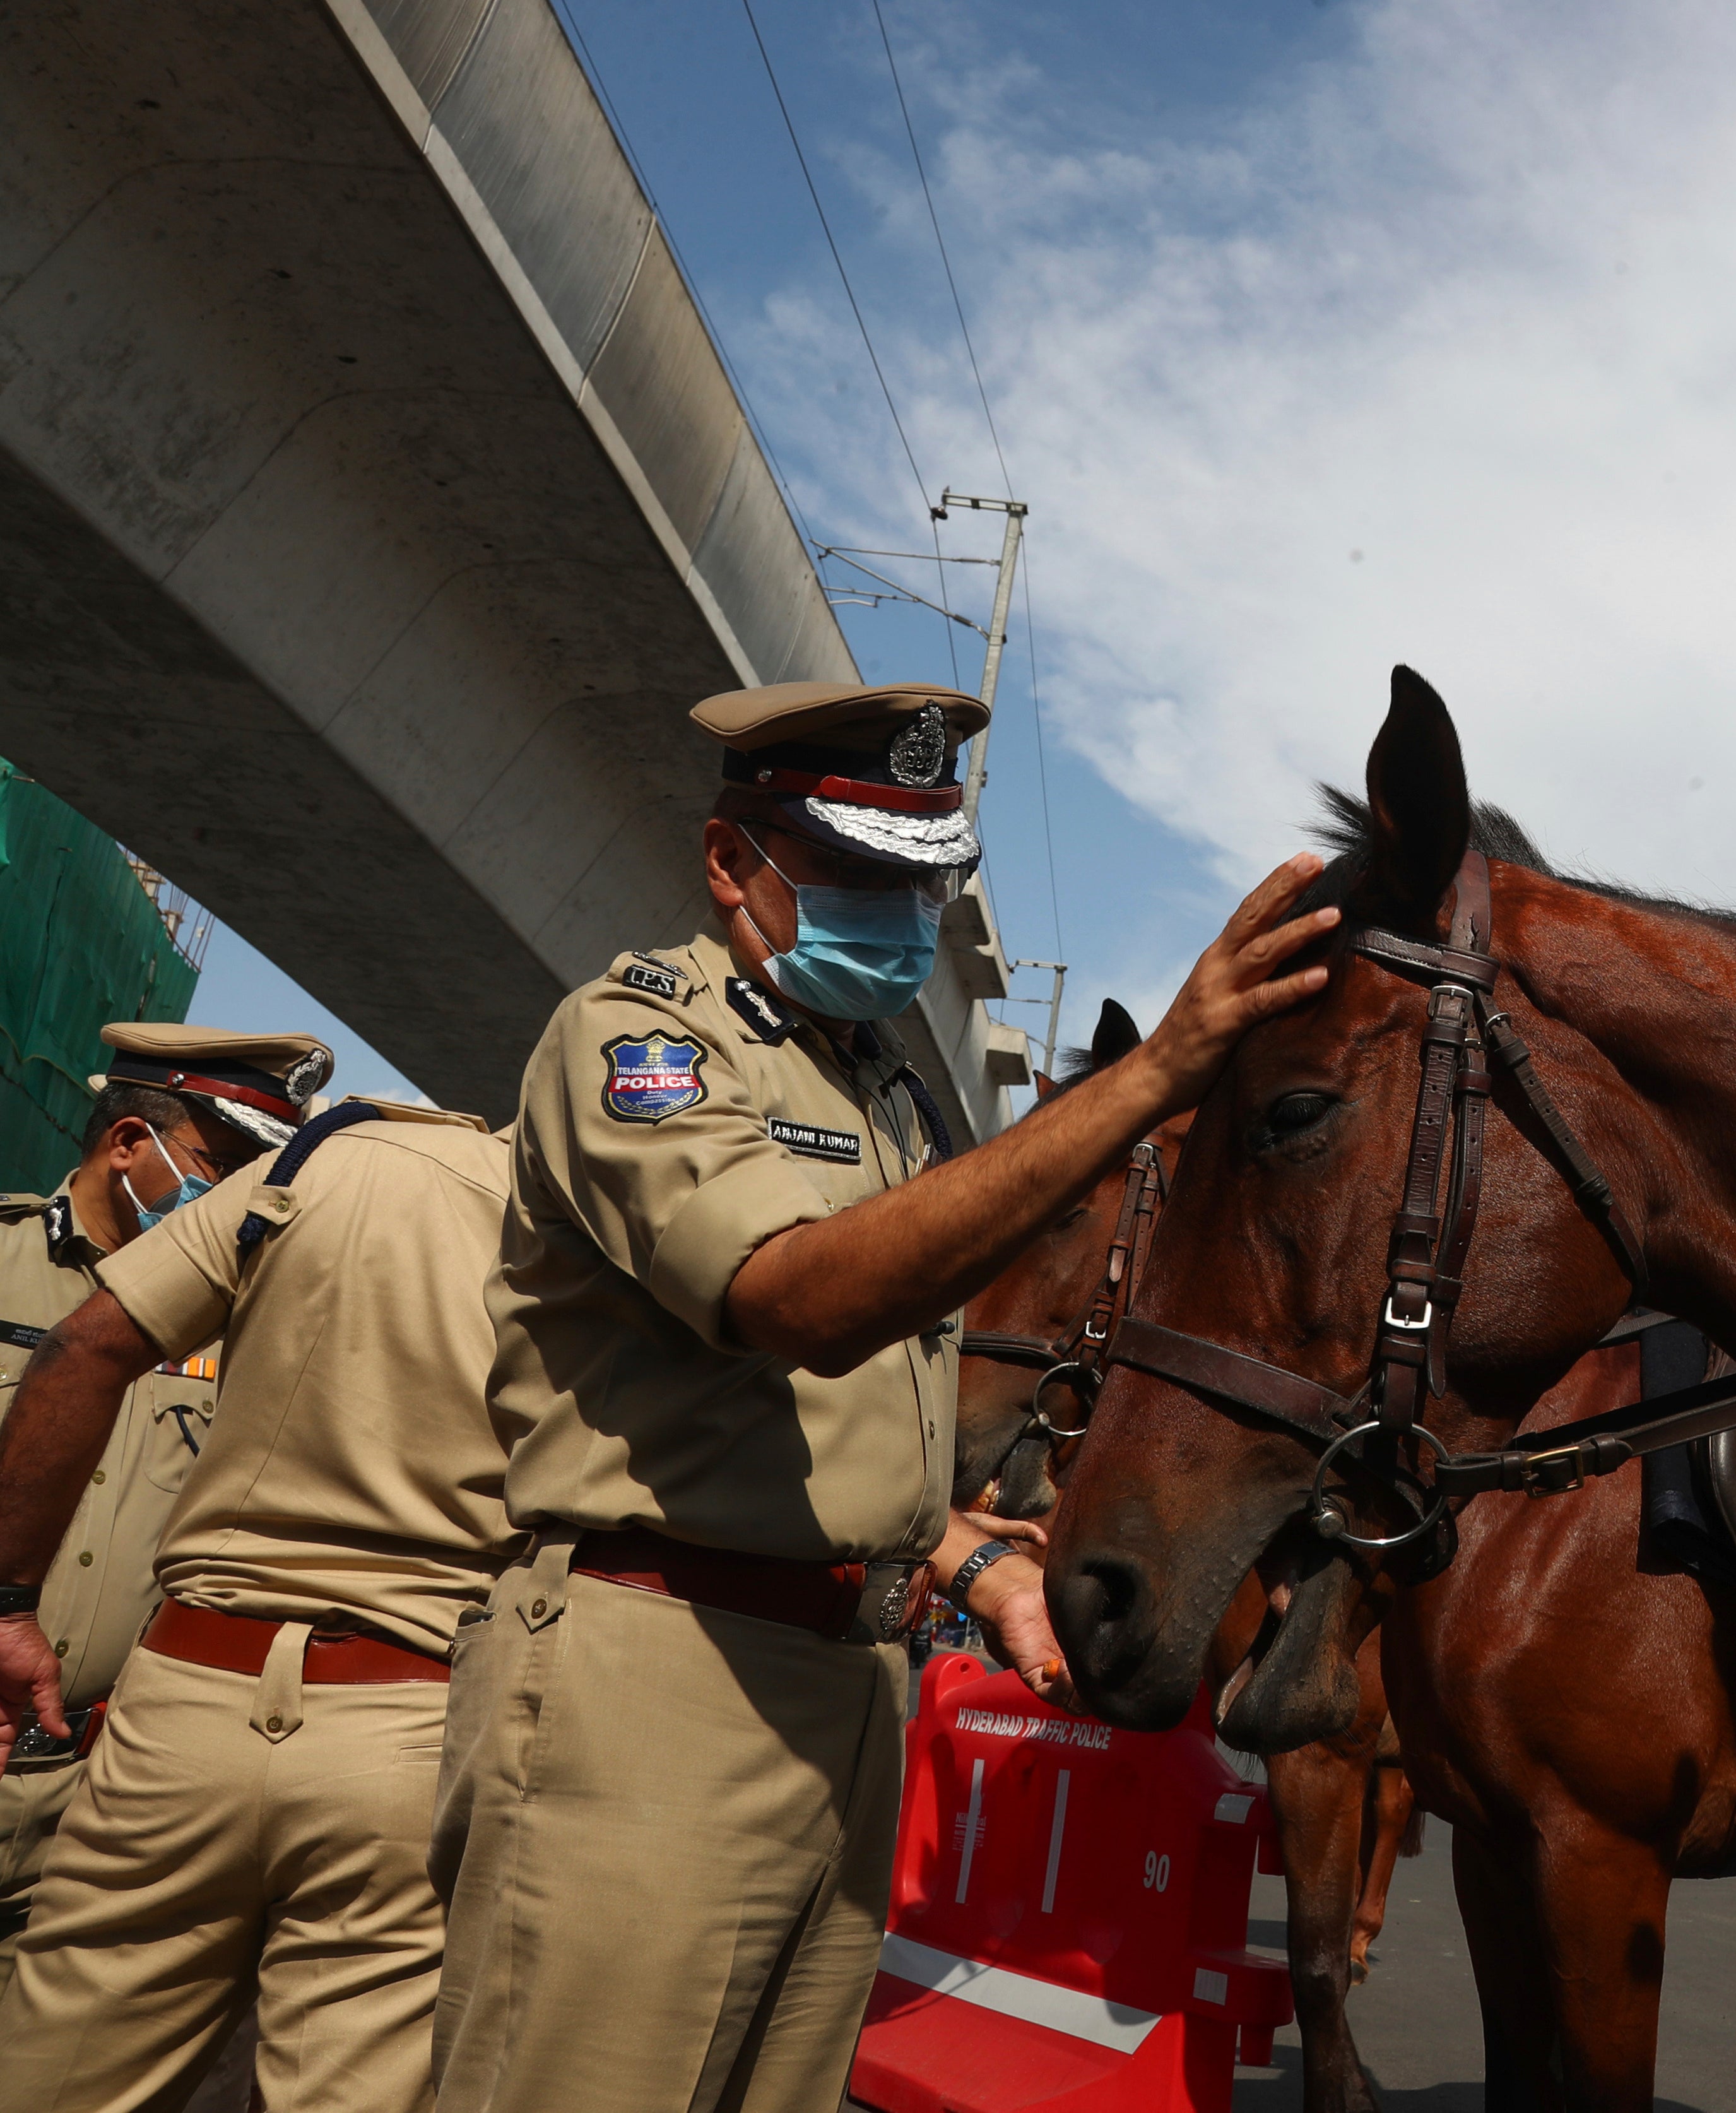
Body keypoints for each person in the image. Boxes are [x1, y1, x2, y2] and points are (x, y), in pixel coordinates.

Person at [430, 682, 1342, 2113]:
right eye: (861, 873)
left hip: (850, 1682)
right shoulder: (645, 1043)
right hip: (659, 1669)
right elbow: (799, 1303)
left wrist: (972, 1561)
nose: (902, 915)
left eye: (929, 879)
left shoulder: (881, 1094)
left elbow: (847, 1431)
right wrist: (1154, 1076)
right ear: (734, 864)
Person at [0, 1069, 507, 2111]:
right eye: (216, 1163)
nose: (231, 1185)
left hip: (151, 1721)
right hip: (404, 1723)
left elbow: (88, 1350)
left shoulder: (312, 1199)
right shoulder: (607, 1256)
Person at [0, 1025, 314, 1996]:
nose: (236, 1205)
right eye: (219, 1170)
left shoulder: (245, 1325)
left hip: (97, 1800)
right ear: (128, 1143)